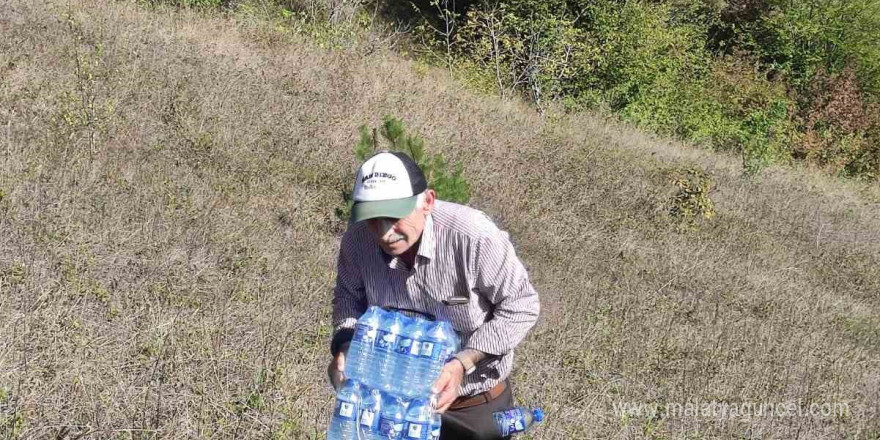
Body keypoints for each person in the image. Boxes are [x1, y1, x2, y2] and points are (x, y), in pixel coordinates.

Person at [327, 151, 540, 440]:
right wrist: (346, 345)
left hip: (472, 405)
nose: (385, 232)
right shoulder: (357, 240)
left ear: (427, 201)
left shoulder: (472, 237)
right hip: (390, 403)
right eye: (373, 219)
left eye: (394, 215)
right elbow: (348, 298)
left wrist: (462, 363)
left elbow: (522, 305)